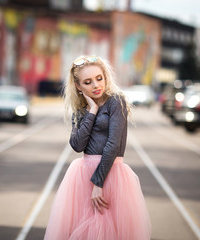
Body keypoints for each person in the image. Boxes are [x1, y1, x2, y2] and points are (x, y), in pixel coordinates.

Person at [44, 56, 151, 240]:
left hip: (111, 175)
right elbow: (77, 145)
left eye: (99, 78)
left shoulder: (116, 101)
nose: (95, 85)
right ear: (78, 86)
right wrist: (92, 111)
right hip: (82, 177)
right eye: (88, 82)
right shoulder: (81, 109)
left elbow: (113, 144)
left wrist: (98, 183)